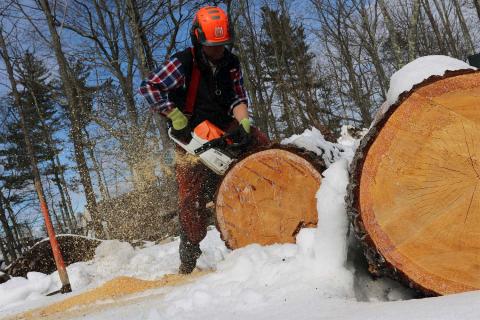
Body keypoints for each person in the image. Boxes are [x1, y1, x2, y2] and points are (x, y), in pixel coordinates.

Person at [139, 6, 269, 274]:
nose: (218, 50)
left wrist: (244, 121)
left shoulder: (231, 62)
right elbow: (149, 86)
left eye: (222, 44)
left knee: (266, 152)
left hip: (225, 125)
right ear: (198, 38)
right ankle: (188, 258)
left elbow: (237, 95)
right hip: (192, 135)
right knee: (190, 198)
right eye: (212, 45)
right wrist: (173, 114)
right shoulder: (183, 62)